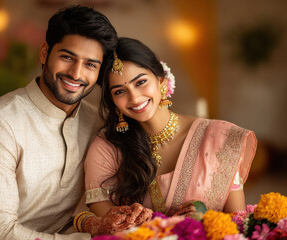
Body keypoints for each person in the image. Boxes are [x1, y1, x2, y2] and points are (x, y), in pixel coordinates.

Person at [0, 6, 150, 240]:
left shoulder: (95, 123)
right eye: (67, 57)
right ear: (45, 53)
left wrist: (103, 224)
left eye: (90, 64)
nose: (76, 74)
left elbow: (77, 212)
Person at [80, 37, 257, 233]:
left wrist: (202, 220)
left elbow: (238, 227)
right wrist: (168, 227)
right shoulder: (107, 148)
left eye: (141, 82)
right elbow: (110, 229)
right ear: (112, 101)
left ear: (161, 80)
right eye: (120, 91)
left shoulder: (220, 138)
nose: (135, 97)